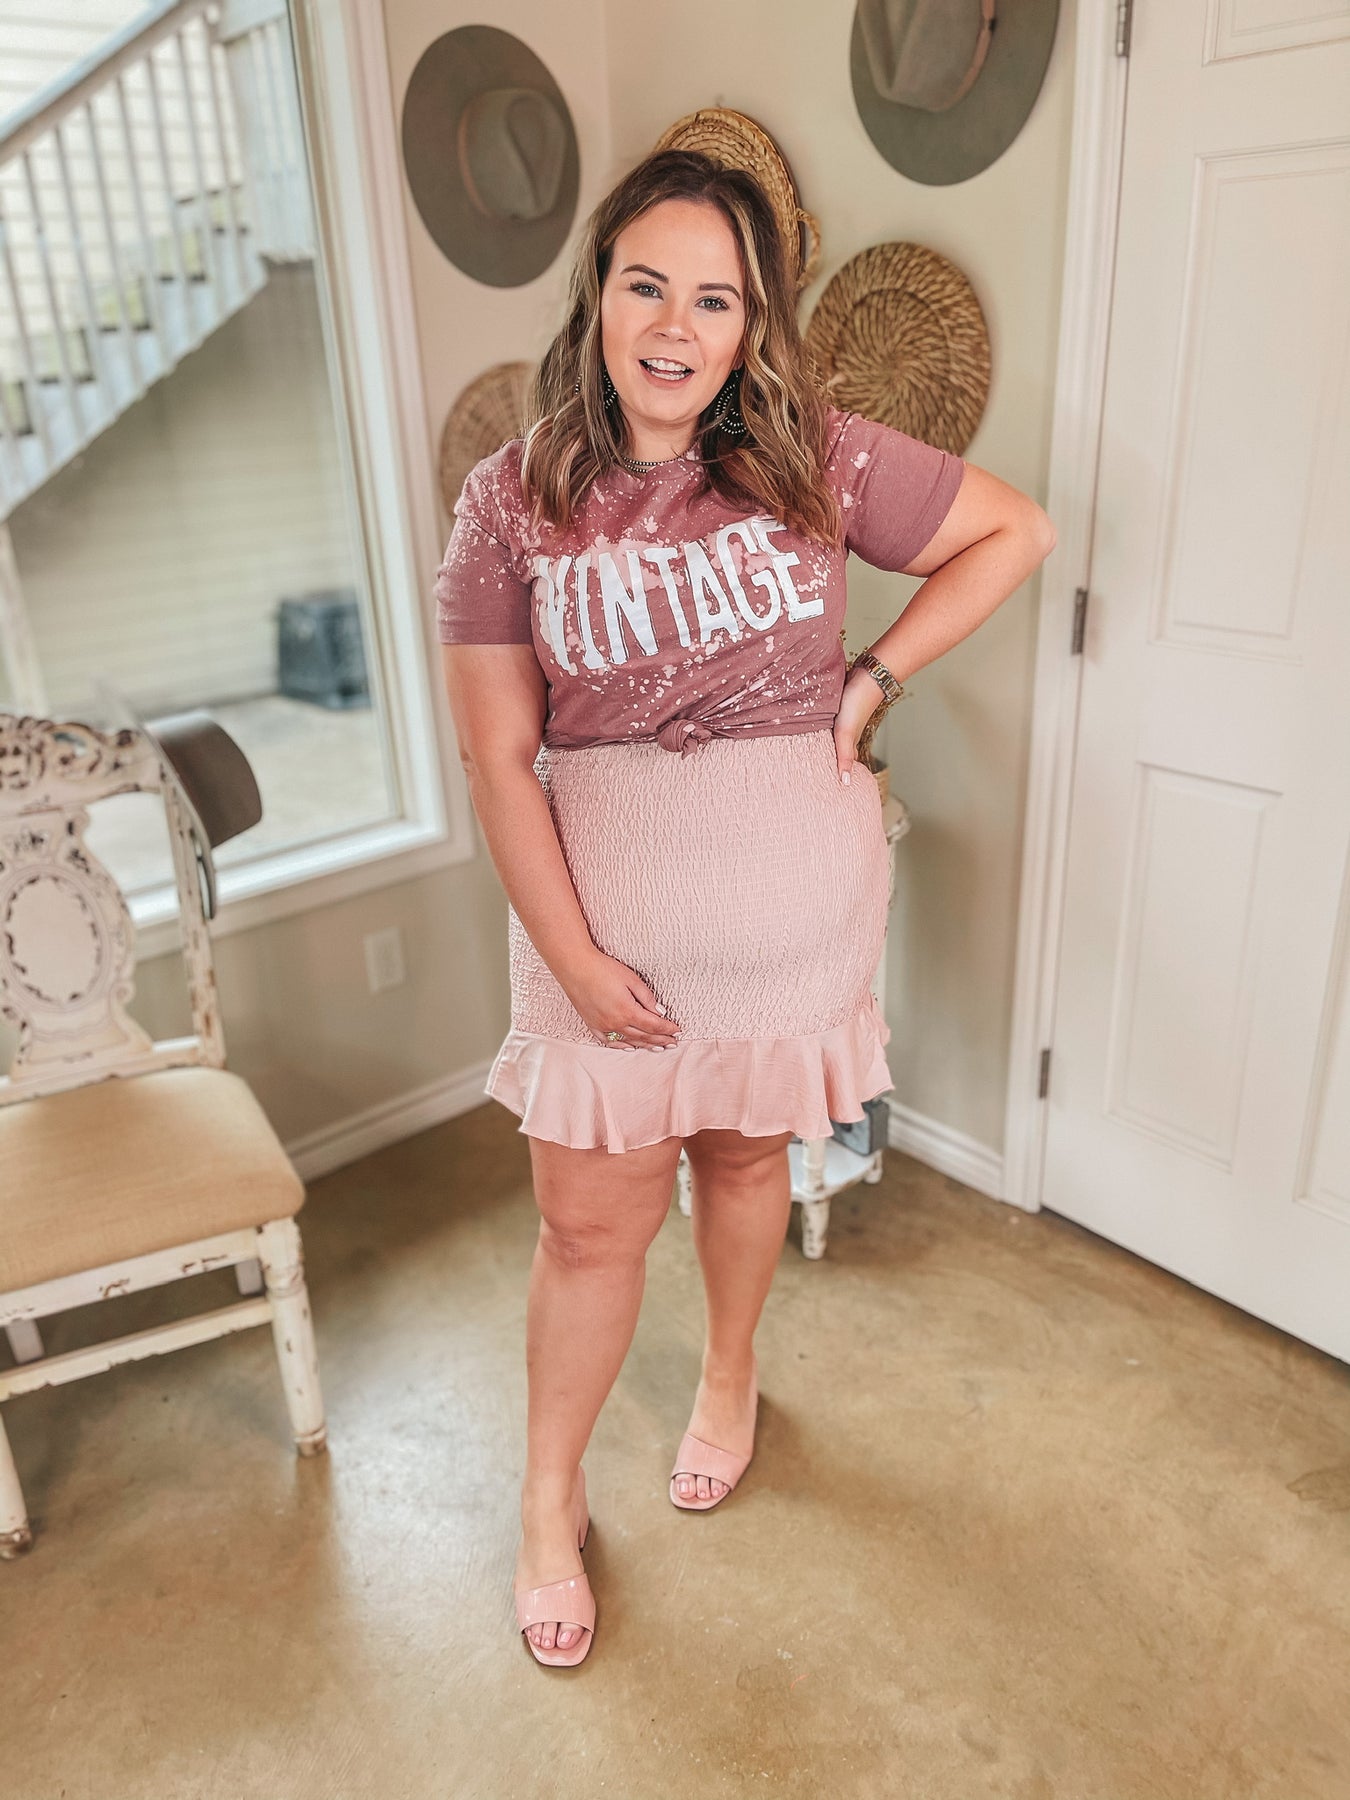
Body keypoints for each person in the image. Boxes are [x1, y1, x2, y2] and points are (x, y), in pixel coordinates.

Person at [434, 148, 1056, 1666]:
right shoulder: (510, 501)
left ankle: (728, 1377)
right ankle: (547, 1502)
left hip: (789, 918)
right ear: (595, 296)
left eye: (713, 299)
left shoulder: (816, 456)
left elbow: (1014, 532)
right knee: (587, 1230)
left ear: (748, 324)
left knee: (743, 1159)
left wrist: (873, 677)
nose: (675, 324)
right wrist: (573, 957)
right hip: (602, 937)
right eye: (645, 284)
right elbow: (499, 758)